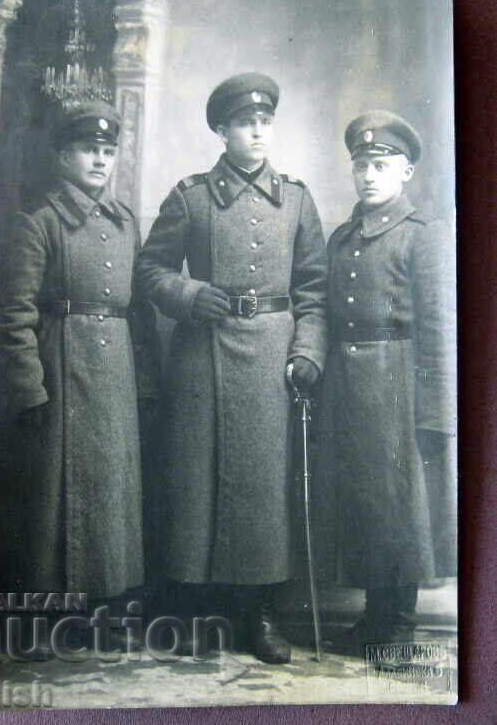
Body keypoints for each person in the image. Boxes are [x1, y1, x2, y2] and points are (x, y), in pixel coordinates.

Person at [136, 72, 328, 663]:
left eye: (265, 121)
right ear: (222, 130)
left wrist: (306, 351)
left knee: (264, 490)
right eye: (246, 123)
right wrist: (189, 294)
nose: (258, 131)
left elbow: (314, 291)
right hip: (202, 358)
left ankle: (260, 615)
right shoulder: (190, 197)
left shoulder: (296, 200)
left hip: (272, 361)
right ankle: (196, 613)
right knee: (196, 488)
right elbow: (149, 270)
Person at [0, 101, 160, 609]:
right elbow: (14, 313)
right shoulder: (40, 222)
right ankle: (52, 611)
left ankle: (106, 604)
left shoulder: (125, 223)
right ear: (64, 156)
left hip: (116, 375)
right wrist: (29, 387)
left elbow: (139, 313)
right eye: (89, 150)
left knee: (113, 491)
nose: (100, 160)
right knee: (54, 498)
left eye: (108, 151)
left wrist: (146, 381)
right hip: (61, 368)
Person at [315, 110, 456, 653]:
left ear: (406, 172)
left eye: (381, 165)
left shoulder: (424, 235)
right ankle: (374, 618)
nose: (369, 176)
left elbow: (439, 328)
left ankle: (399, 625)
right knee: (365, 503)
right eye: (361, 166)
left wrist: (438, 411)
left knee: (400, 506)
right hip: (348, 388)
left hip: (399, 387)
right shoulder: (342, 238)